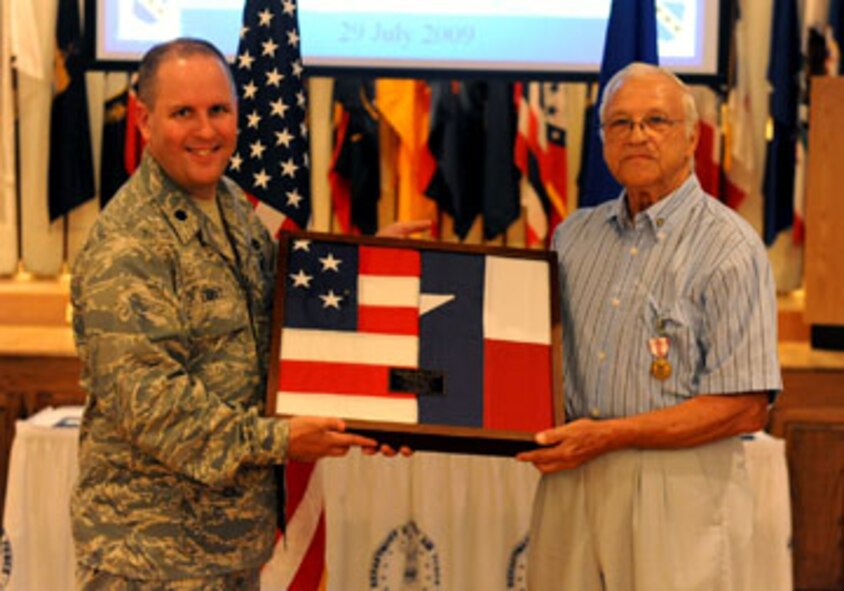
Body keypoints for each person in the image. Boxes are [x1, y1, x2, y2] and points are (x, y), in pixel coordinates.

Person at [70, 38, 419, 590]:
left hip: (231, 546)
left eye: (218, 110)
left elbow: (277, 309)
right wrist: (282, 442)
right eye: (183, 113)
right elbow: (156, 410)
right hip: (151, 558)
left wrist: (371, 269)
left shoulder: (231, 205)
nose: (205, 131)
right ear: (143, 119)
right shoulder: (128, 246)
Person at [517, 62, 782, 591]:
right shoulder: (572, 238)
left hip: (678, 486)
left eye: (655, 121)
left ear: (691, 138)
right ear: (603, 140)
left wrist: (610, 436)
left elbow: (745, 405)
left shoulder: (730, 248)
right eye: (620, 123)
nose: (636, 135)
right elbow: (532, 357)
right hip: (573, 474)